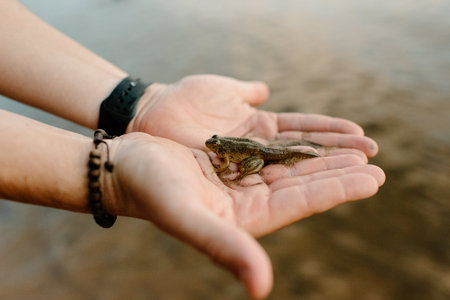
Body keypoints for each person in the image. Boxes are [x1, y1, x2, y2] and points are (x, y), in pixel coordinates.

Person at [0, 1, 385, 299]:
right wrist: (110, 170)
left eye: (214, 144)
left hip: (258, 152)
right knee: (265, 155)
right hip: (251, 148)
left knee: (267, 157)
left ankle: (288, 155)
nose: (211, 146)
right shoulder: (221, 147)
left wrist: (140, 104)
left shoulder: (231, 151)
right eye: (214, 145)